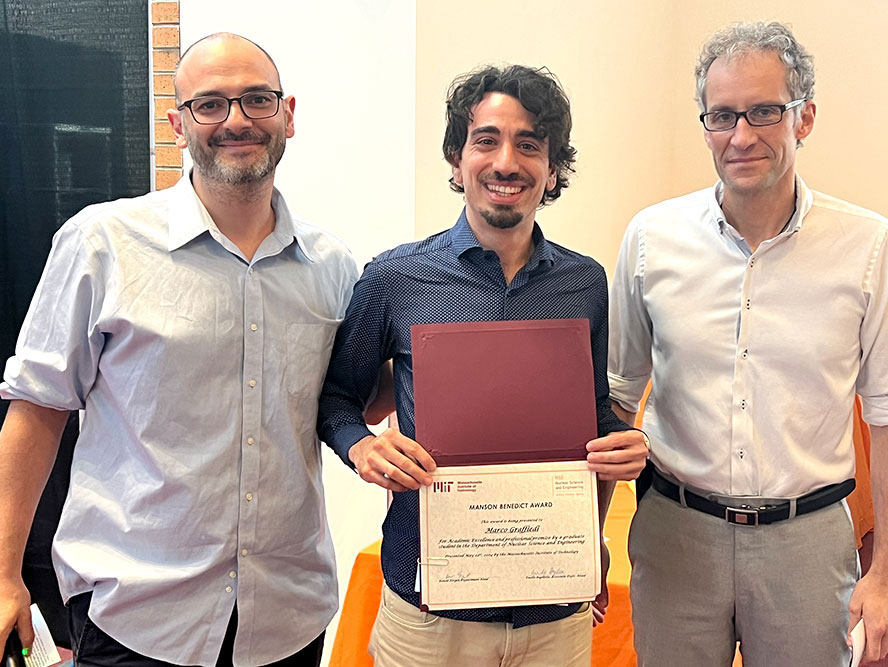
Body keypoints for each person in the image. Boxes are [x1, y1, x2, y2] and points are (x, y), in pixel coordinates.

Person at [0, 33, 359, 667]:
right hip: (136, 613)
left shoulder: (330, 267)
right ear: (178, 124)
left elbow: (348, 400)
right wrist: (2, 574)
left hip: (286, 616)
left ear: (289, 115)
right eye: (210, 104)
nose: (237, 120)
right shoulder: (101, 242)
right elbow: (36, 409)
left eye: (257, 99)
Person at [608, 21, 888, 667]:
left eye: (763, 111)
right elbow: (616, 396)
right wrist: (586, 537)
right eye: (722, 115)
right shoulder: (650, 239)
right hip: (675, 532)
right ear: (705, 125)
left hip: (807, 542)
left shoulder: (868, 246)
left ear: (804, 118)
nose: (741, 135)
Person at [317, 64, 648, 667]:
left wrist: (621, 443)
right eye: (486, 140)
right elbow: (336, 397)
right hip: (427, 613)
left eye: (530, 145)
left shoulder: (585, 284)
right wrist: (362, 449)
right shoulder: (395, 279)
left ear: (552, 169)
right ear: (456, 158)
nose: (506, 162)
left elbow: (590, 411)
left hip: (554, 611)